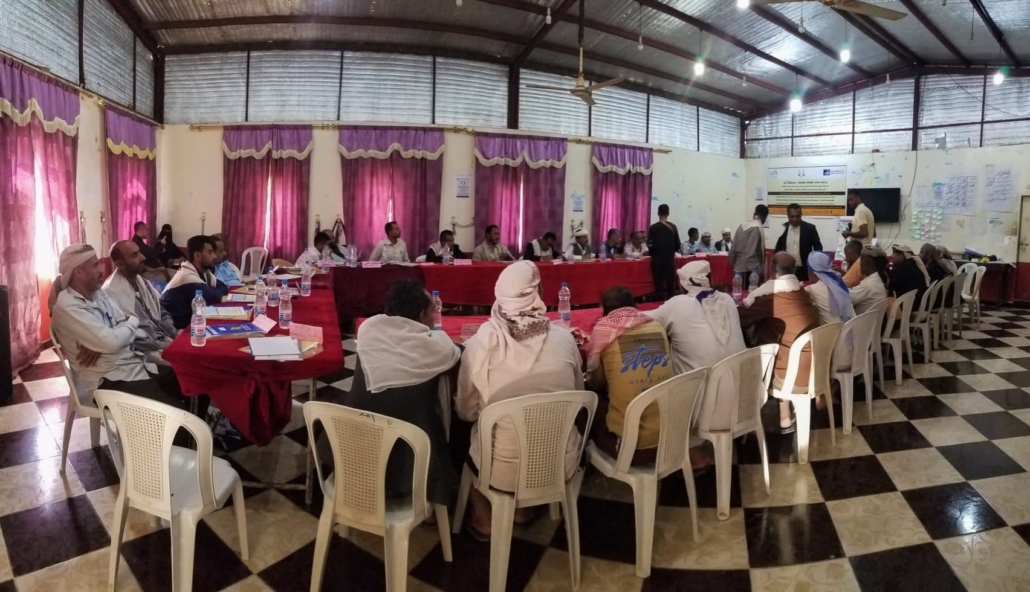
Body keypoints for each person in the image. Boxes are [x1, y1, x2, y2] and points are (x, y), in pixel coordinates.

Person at [455, 261, 583, 539]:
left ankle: (484, 517)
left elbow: (465, 411)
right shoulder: (565, 340)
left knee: (461, 434)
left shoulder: (480, 344)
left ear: (500, 296)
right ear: (538, 293)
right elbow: (577, 397)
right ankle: (526, 509)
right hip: (559, 462)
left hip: (500, 470)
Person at [322, 279, 462, 506]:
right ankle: (429, 506)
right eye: (432, 312)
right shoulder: (436, 347)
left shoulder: (368, 329)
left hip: (352, 447)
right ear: (421, 315)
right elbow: (453, 351)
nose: (434, 317)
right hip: (412, 453)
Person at [50, 244, 188, 410]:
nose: (102, 270)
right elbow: (112, 341)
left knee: (194, 383)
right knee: (178, 416)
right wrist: (121, 329)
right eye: (96, 265)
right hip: (110, 381)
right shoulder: (68, 306)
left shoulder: (98, 293)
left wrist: (116, 332)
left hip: (135, 364)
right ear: (79, 272)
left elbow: (126, 324)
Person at [587, 287, 708, 469]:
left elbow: (595, 382)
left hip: (631, 451)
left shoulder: (602, 331)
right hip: (673, 440)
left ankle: (579, 467)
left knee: (589, 401)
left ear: (604, 312)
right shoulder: (658, 327)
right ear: (636, 307)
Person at [647, 260, 747, 415]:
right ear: (711, 280)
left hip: (700, 412)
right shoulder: (728, 300)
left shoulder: (676, 305)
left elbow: (642, 319)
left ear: (681, 285)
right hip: (745, 405)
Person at [738, 252, 821, 433]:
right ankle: (784, 415)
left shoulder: (770, 297)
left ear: (771, 269)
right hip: (817, 372)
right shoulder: (802, 292)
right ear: (794, 270)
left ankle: (745, 415)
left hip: (790, 377)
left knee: (754, 340)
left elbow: (739, 318)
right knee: (778, 335)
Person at [102, 240, 178, 366]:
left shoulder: (142, 282)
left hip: (163, 339)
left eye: (140, 252)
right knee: (186, 365)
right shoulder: (111, 293)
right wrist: (165, 345)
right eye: (134, 255)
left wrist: (173, 332)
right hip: (142, 352)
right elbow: (127, 338)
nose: (143, 257)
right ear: (120, 264)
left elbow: (161, 310)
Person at [161, 235, 229, 329]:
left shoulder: (204, 272)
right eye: (210, 252)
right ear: (197, 255)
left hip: (191, 323)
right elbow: (215, 296)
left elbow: (223, 287)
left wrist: (212, 291)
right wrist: (213, 291)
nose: (214, 256)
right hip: (175, 329)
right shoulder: (186, 277)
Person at [775, 204, 823, 282]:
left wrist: (815, 266)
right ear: (787, 216)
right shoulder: (783, 229)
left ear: (801, 214)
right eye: (792, 216)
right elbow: (778, 249)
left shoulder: (810, 228)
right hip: (786, 270)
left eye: (797, 216)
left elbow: (818, 248)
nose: (795, 219)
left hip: (804, 270)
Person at [806, 252, 854, 326]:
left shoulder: (812, 290)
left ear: (812, 272)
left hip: (832, 332)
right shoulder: (839, 283)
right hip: (852, 328)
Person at [647, 204, 681, 299]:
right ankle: (671, 301)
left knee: (658, 284)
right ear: (668, 213)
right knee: (670, 283)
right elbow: (678, 244)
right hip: (669, 259)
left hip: (656, 260)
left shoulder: (653, 228)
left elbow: (649, 244)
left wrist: (654, 253)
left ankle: (659, 302)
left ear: (658, 213)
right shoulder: (673, 227)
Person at [730, 204, 769, 280]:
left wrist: (734, 264)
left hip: (738, 268)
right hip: (750, 271)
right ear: (765, 216)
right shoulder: (756, 227)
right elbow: (750, 253)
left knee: (737, 288)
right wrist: (759, 272)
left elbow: (732, 249)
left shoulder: (742, 225)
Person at [850, 247, 889, 315]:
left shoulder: (869, 284)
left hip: (861, 321)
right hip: (874, 320)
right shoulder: (880, 278)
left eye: (861, 261)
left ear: (867, 263)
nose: (860, 264)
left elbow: (846, 299)